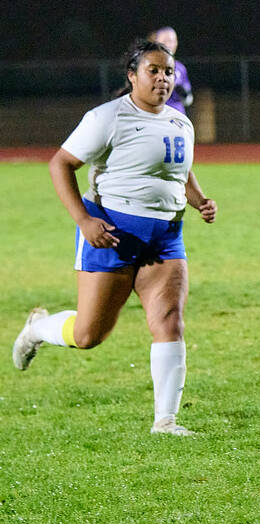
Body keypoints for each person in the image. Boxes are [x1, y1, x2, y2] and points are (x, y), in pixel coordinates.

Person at [12, 39, 217, 436]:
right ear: (132, 75)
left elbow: (180, 170)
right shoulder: (108, 117)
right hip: (111, 234)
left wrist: (199, 200)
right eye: (153, 71)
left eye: (168, 72)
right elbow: (61, 164)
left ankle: (166, 421)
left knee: (169, 322)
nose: (162, 78)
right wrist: (84, 221)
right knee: (89, 334)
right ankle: (38, 329)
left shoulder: (180, 121)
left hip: (166, 239)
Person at [152, 26, 193, 115]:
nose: (168, 45)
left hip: (177, 117)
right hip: (157, 117)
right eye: (165, 41)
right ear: (157, 43)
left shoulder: (180, 68)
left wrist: (182, 92)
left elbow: (188, 100)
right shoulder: (149, 67)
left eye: (171, 41)